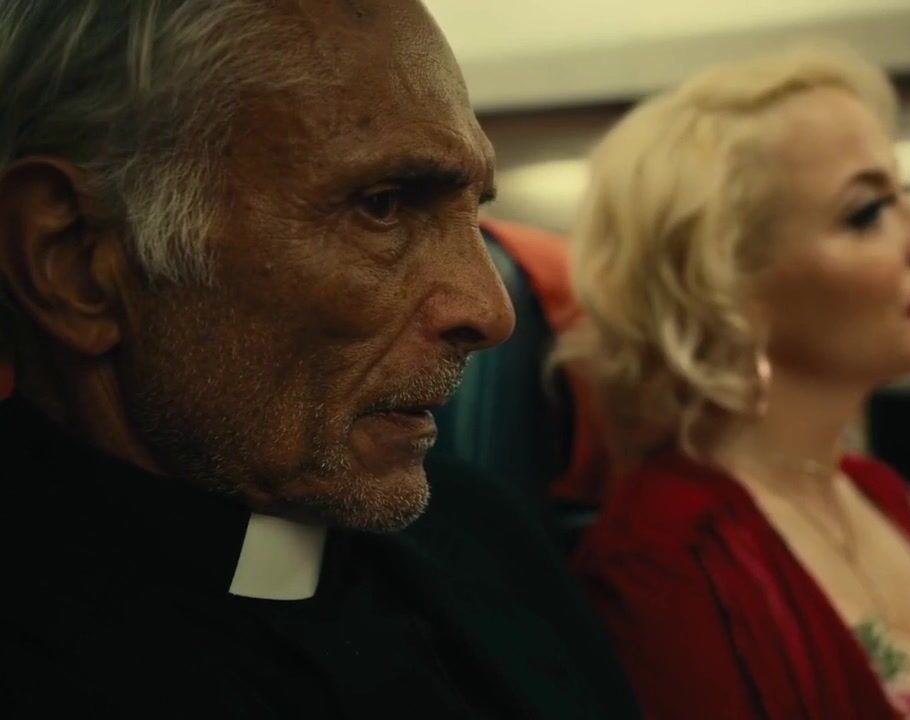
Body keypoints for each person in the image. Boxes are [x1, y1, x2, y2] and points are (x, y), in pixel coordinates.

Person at [0, 1, 638, 717]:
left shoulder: (484, 535)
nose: (492, 313)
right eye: (382, 205)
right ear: (76, 260)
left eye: (474, 212)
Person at [558, 47, 910, 719]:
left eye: (909, 192)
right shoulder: (663, 566)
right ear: (726, 290)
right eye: (867, 212)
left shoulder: (873, 490)